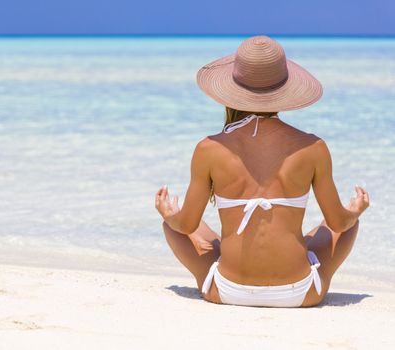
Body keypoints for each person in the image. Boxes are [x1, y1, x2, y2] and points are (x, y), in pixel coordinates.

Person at [154, 35, 369, 307]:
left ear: (231, 92)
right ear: (285, 90)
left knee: (175, 225)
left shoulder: (208, 148)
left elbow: (186, 225)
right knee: (340, 225)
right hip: (300, 293)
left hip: (227, 290)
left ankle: (232, 260)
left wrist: (168, 214)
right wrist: (355, 211)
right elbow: (339, 223)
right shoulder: (313, 146)